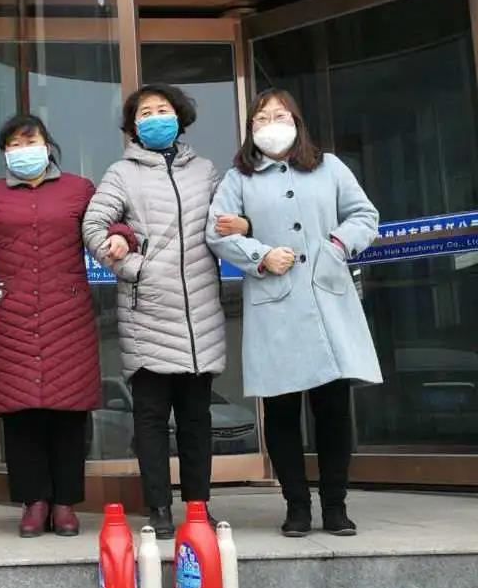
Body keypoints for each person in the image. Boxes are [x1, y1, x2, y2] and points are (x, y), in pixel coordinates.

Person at [207, 87, 381, 538]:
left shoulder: (329, 167)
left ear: (297, 121)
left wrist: (336, 245)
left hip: (327, 301)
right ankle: (296, 506)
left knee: (333, 409)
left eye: (280, 115)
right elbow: (217, 232)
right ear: (250, 129)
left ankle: (336, 506)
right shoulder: (239, 178)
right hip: (275, 305)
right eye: (261, 119)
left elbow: (364, 215)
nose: (271, 124)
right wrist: (261, 255)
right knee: (282, 412)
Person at [82, 84, 227, 539]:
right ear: (133, 125)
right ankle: (160, 508)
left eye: (162, 110)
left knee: (196, 420)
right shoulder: (122, 173)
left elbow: (225, 223)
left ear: (179, 117)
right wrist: (132, 267)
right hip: (147, 311)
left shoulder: (205, 171)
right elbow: (93, 225)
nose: (154, 118)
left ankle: (198, 507)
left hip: (199, 313)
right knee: (150, 420)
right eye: (145, 113)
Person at [0, 114, 101, 537]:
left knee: (68, 412)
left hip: (68, 316)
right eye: (14, 145)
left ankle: (65, 503)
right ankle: (33, 502)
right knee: (21, 414)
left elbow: (105, 225)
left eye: (31, 141)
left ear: (47, 144)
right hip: (10, 318)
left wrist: (121, 237)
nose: (24, 150)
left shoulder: (79, 189)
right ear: (4, 152)